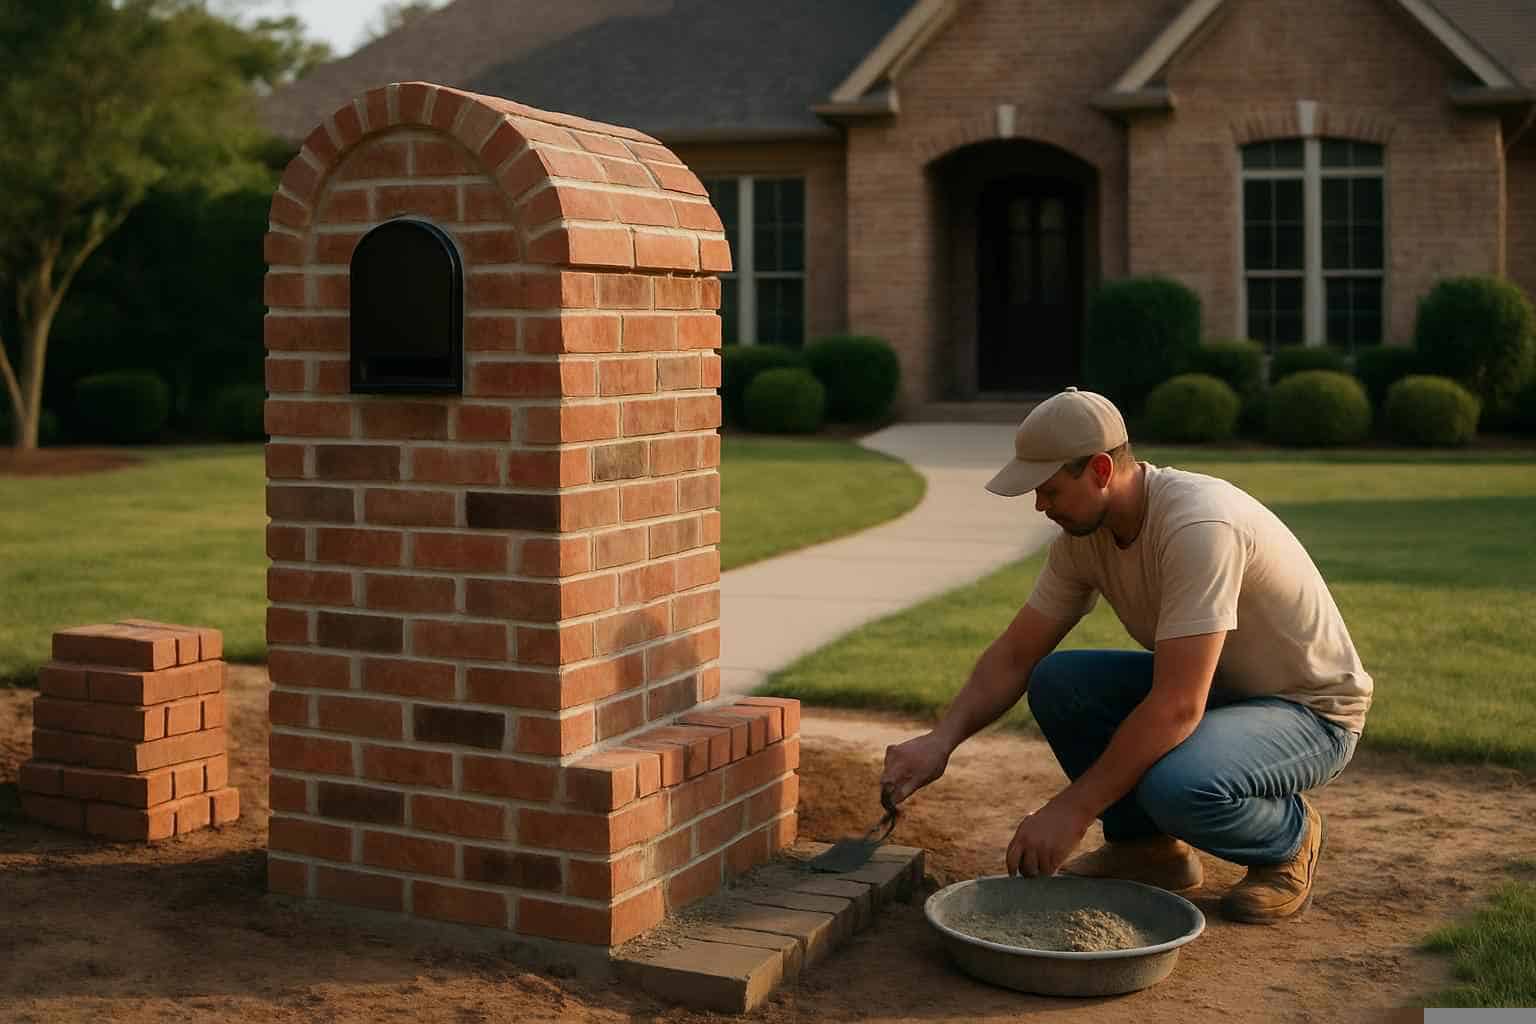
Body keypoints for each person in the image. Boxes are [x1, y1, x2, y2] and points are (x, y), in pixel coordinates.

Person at [880, 387, 1371, 923]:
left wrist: (1071, 810)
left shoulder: (1199, 526)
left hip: (1307, 711)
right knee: (1058, 680)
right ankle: (1148, 851)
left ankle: (1289, 838)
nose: (1040, 506)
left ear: (1098, 470)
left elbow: (1179, 706)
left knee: (1178, 786)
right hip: (1225, 693)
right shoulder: (1082, 538)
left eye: (1048, 490)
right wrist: (941, 739)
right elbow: (1016, 655)